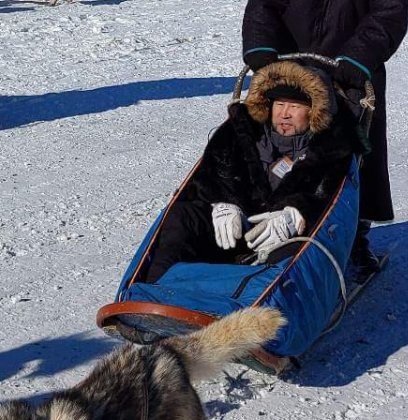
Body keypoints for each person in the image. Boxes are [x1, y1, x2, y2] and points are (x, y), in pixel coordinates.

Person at [241, 0, 408, 280]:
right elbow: (264, 0)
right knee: (274, 152)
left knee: (353, 155)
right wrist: (263, 53)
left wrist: (354, 60)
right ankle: (268, 224)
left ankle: (354, 238)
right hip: (290, 74)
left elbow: (387, 14)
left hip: (352, 75)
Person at [140, 60, 363, 283]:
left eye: (294, 106)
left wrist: (297, 213)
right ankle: (153, 292)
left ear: (314, 112)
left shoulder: (331, 149)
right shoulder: (238, 135)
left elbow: (336, 200)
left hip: (282, 240)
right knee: (183, 216)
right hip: (233, 230)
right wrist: (221, 203)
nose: (285, 114)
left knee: (296, 249)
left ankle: (259, 311)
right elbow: (203, 182)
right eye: (279, 105)